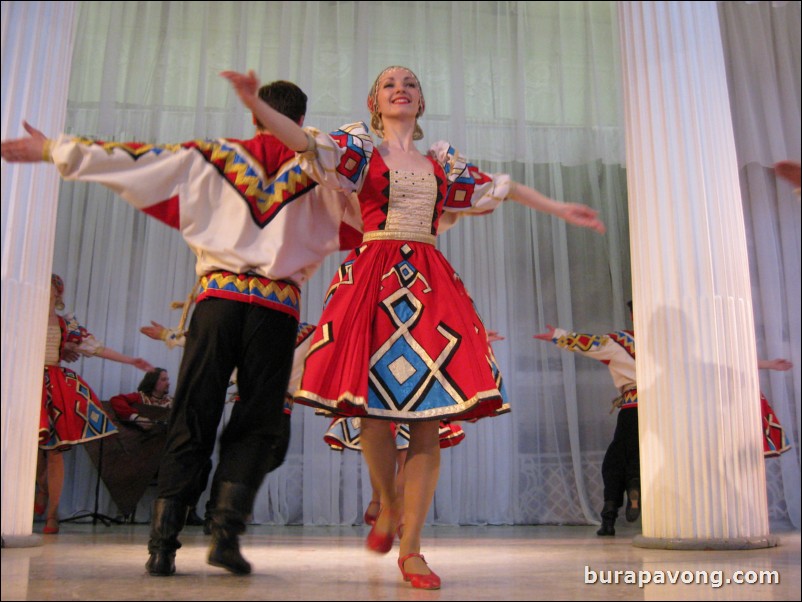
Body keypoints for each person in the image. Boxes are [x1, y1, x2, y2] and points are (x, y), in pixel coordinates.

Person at [221, 66, 606, 589]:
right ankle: (386, 503)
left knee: (429, 421)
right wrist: (258, 107)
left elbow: (500, 189)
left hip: (429, 286)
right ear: (375, 101)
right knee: (375, 411)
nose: (400, 88)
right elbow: (306, 144)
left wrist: (559, 206)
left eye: (410, 83)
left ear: (421, 102)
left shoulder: (441, 163)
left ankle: (413, 548)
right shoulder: (359, 150)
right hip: (373, 280)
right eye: (389, 84)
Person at [1, 81, 358, 576]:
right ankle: (225, 531)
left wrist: (54, 148)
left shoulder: (215, 156)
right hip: (276, 308)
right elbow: (375, 206)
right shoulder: (322, 167)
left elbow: (135, 159)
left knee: (193, 412)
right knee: (258, 421)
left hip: (217, 303)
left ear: (257, 118)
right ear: (300, 118)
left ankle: (163, 541)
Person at [534, 314, 793, 537]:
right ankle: (639, 488)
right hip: (667, 407)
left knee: (616, 458)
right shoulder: (679, 346)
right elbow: (717, 363)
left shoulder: (623, 341)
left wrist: (559, 335)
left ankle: (610, 513)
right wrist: (767, 364)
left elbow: (590, 344)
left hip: (634, 405)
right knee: (656, 457)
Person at [36, 274, 153, 534]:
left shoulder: (66, 323)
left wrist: (130, 361)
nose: (46, 292)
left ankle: (52, 514)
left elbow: (97, 349)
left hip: (54, 385)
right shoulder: (23, 315)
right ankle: (42, 488)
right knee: (32, 452)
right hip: (29, 382)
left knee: (54, 450)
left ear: (58, 294)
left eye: (51, 289)